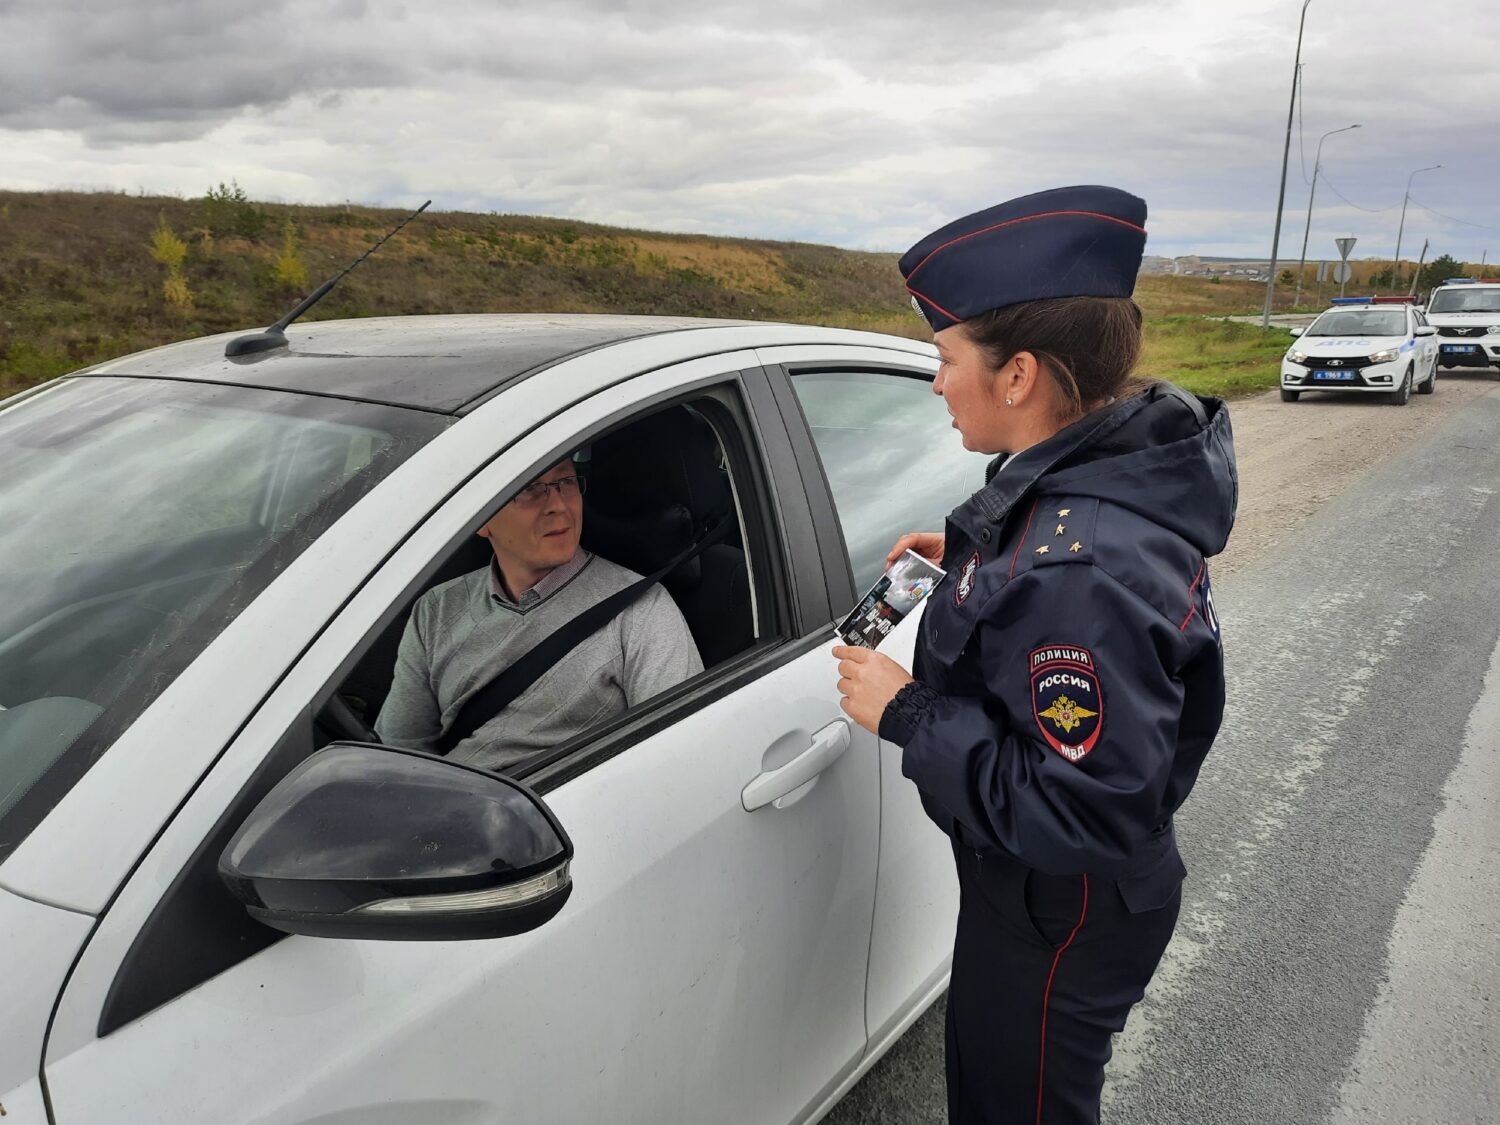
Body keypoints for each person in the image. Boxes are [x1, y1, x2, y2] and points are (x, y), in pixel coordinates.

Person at [833, 185, 1237, 1125]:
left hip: (1063, 906)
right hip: (1039, 892)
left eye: (945, 360)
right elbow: (1051, 572)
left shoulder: (1079, 564)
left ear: (1017, 377)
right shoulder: (1088, 482)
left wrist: (905, 710)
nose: (935, 383)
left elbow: (1082, 809)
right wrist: (970, 555)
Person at [377, 457, 704, 772]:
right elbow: (399, 755)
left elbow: (676, 759)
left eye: (566, 482)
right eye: (531, 489)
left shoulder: (642, 611)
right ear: (481, 517)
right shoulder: (436, 609)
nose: (558, 506)